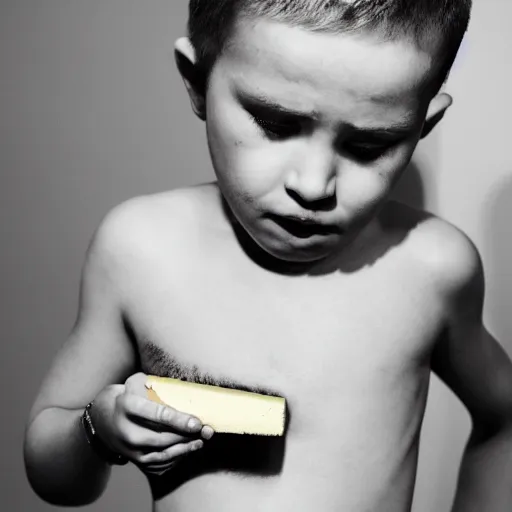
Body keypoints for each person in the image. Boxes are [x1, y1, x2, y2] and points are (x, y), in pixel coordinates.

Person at [23, 1, 512, 511]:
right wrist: (98, 430)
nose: (313, 185)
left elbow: (504, 418)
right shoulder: (141, 250)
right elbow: (52, 475)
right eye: (276, 124)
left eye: (370, 145)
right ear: (197, 82)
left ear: (422, 124)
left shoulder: (434, 269)